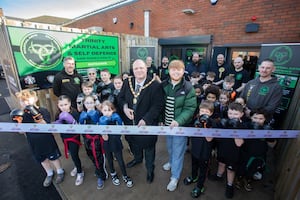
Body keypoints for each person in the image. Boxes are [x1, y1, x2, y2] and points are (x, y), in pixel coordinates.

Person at [118, 59, 164, 184]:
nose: (138, 70)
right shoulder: (127, 82)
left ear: (146, 69)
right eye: (136, 68)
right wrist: (125, 108)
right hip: (130, 124)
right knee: (133, 144)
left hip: (147, 125)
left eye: (141, 68)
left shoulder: (154, 85)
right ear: (133, 70)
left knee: (149, 149)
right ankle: (137, 159)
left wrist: (146, 119)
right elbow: (120, 98)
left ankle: (150, 170)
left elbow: (158, 105)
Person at [11, 89, 64, 187]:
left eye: (28, 100)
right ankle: (49, 173)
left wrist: (36, 114)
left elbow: (46, 126)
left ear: (35, 99)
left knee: (53, 157)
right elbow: (21, 131)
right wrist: (17, 122)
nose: (25, 102)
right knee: (42, 159)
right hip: (33, 142)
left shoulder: (43, 110)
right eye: (23, 101)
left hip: (46, 140)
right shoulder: (22, 115)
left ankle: (60, 171)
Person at [161, 60, 197, 191]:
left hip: (180, 127)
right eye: (173, 69)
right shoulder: (164, 85)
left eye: (179, 69)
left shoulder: (188, 87)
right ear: (169, 71)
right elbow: (160, 104)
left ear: (183, 71)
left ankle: (174, 177)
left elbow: (190, 108)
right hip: (166, 125)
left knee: (178, 151)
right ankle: (171, 162)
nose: (176, 72)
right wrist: (161, 119)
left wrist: (179, 121)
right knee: (170, 147)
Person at [236, 108, 276, 192]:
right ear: (251, 118)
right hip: (244, 153)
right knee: (241, 169)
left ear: (265, 119)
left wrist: (269, 136)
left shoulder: (267, 129)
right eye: (255, 118)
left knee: (253, 170)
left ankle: (247, 180)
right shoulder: (245, 125)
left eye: (261, 118)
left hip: (259, 155)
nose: (257, 121)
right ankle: (239, 179)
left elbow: (272, 145)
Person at [211, 102, 246, 199]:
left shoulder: (243, 126)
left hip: (234, 152)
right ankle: (218, 176)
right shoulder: (225, 122)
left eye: (235, 114)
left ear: (241, 114)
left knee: (230, 170)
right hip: (223, 148)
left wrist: (235, 129)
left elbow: (239, 143)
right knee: (221, 163)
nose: (232, 116)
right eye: (230, 113)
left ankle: (230, 185)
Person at [183, 100, 215, 198]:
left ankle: (200, 186)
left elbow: (209, 139)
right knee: (194, 165)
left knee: (203, 170)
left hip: (205, 152)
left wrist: (206, 126)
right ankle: (194, 177)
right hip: (195, 149)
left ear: (211, 113)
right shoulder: (196, 119)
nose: (204, 114)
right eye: (202, 111)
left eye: (207, 112)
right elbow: (189, 131)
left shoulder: (212, 123)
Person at [99, 100, 133, 188]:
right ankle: (113, 174)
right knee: (109, 159)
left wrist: (118, 122)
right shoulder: (101, 120)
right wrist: (103, 128)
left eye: (109, 110)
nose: (107, 113)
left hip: (116, 142)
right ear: (101, 111)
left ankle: (125, 175)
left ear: (113, 110)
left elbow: (121, 129)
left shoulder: (115, 118)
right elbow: (104, 137)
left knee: (120, 160)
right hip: (106, 143)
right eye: (105, 110)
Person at [79, 95, 108, 189]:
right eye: (87, 103)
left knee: (98, 158)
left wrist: (97, 121)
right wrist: (81, 121)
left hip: (97, 140)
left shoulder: (99, 113)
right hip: (87, 140)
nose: (89, 105)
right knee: (91, 156)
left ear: (94, 103)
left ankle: (102, 176)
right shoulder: (83, 113)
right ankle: (97, 169)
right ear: (84, 104)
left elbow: (103, 126)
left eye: (91, 102)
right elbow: (80, 128)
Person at [54, 95, 84, 186]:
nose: (63, 107)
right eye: (61, 105)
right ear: (58, 105)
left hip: (74, 138)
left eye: (65, 104)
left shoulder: (74, 112)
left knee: (75, 155)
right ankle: (76, 166)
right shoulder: (57, 114)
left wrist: (73, 121)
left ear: (70, 103)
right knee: (71, 154)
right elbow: (57, 127)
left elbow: (79, 127)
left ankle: (80, 172)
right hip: (64, 137)